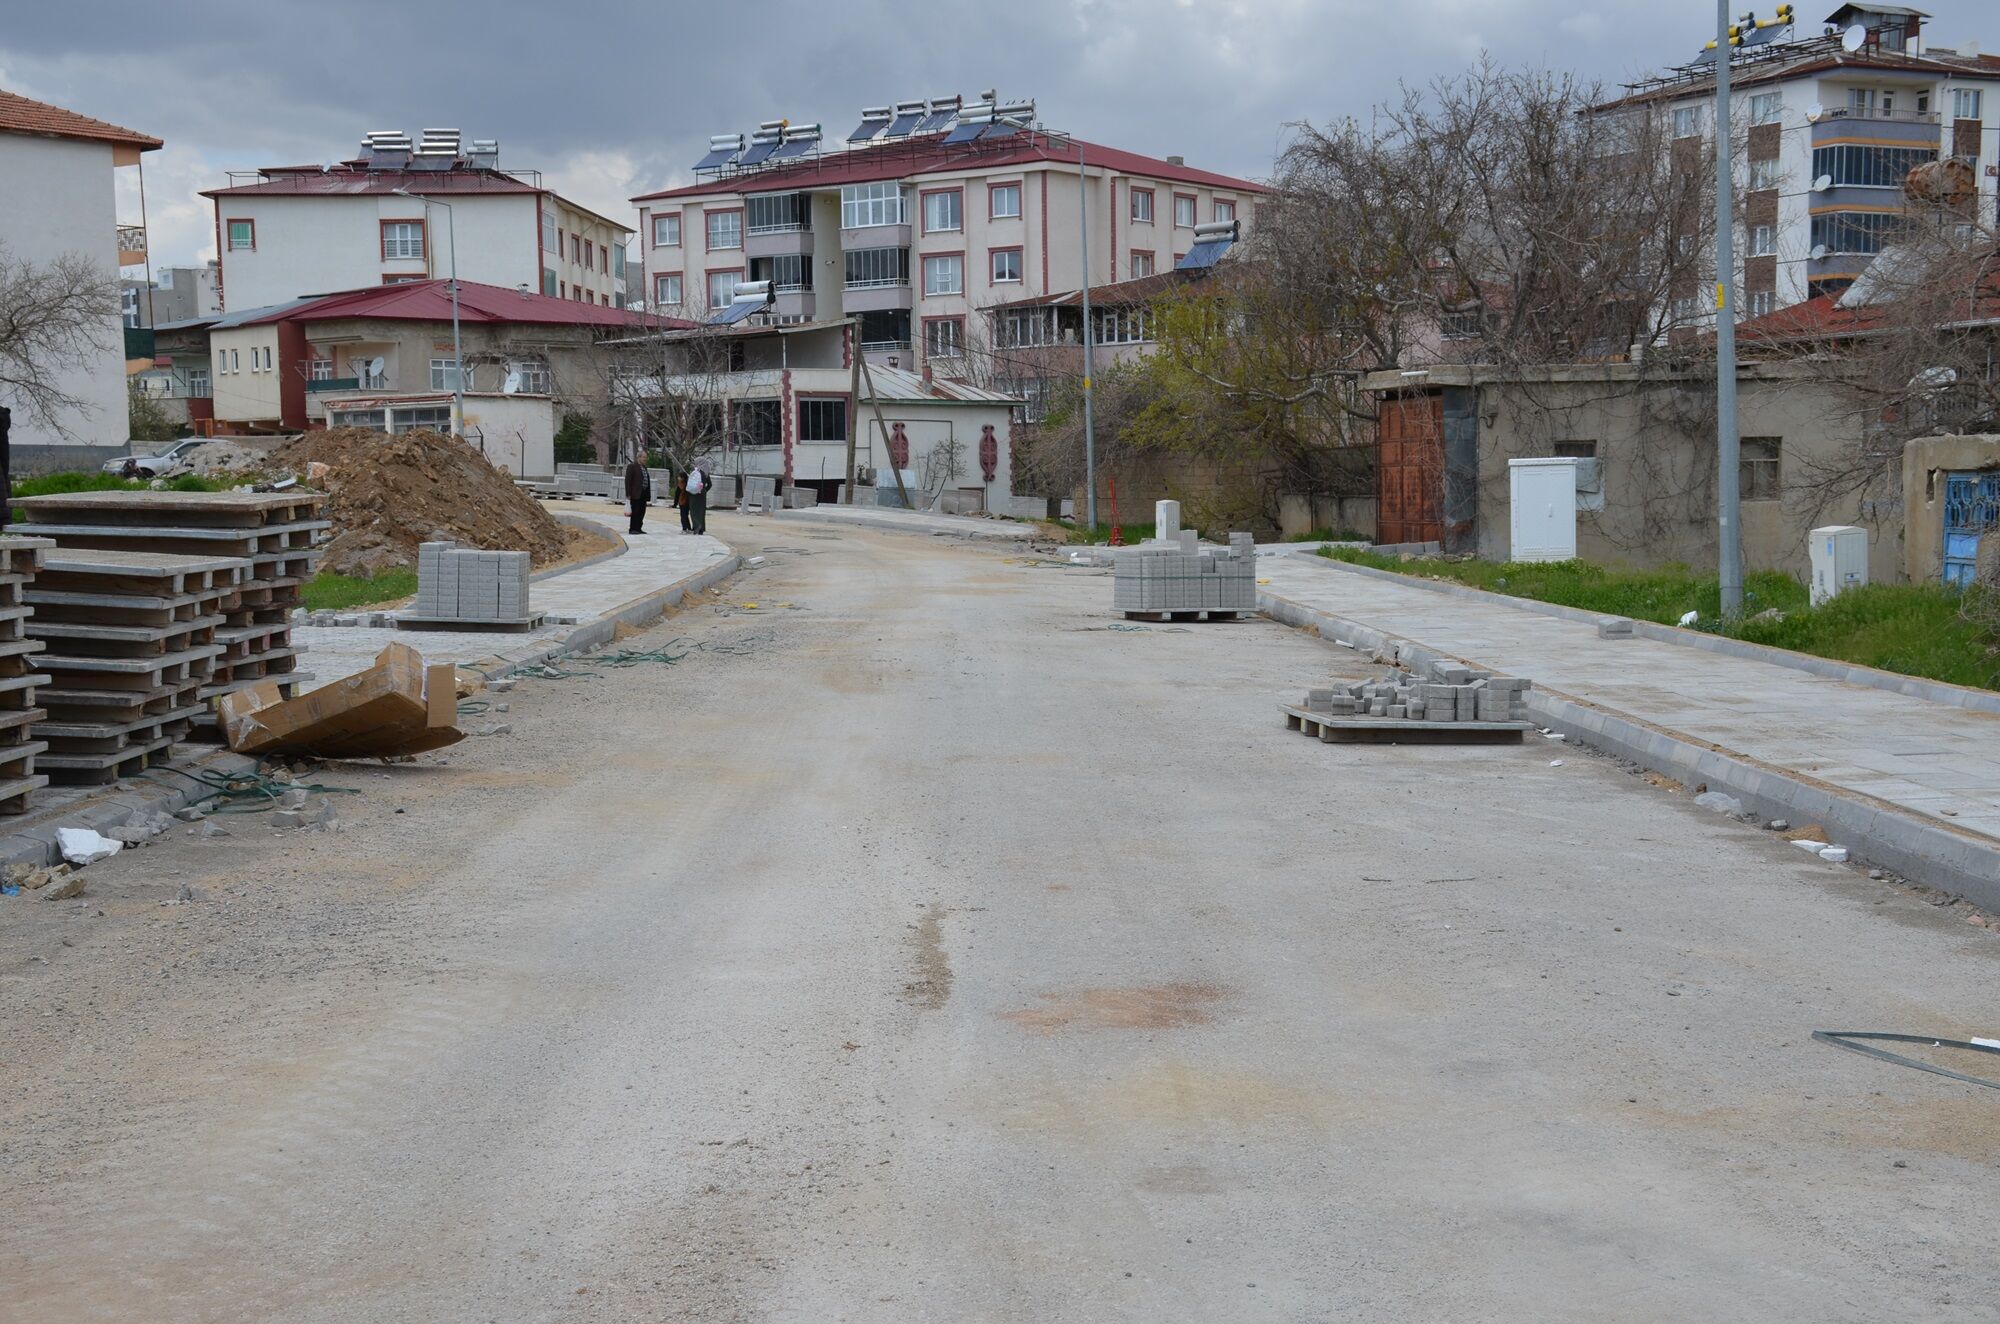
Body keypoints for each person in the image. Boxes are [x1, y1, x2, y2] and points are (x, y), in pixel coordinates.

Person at [623, 455, 649, 535]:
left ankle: (638, 528)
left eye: (645, 457)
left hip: (643, 493)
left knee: (642, 511)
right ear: (638, 457)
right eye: (643, 457)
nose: (645, 459)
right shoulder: (632, 466)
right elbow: (628, 481)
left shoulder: (644, 468)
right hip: (635, 493)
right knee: (635, 511)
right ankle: (633, 528)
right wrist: (628, 493)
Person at [686, 463, 708, 535]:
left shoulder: (694, 473)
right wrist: (704, 490)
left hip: (694, 494)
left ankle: (696, 526)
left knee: (693, 511)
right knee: (701, 512)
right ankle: (702, 529)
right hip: (702, 494)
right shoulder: (705, 473)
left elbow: (690, 484)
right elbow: (710, 484)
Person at [676, 469, 692, 534]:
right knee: (686, 516)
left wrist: (675, 504)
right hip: (687, 502)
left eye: (679, 477)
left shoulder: (680, 485)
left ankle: (684, 529)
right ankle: (689, 528)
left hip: (682, 502)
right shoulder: (688, 484)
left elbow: (677, 495)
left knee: (683, 516)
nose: (678, 478)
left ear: (682, 478)